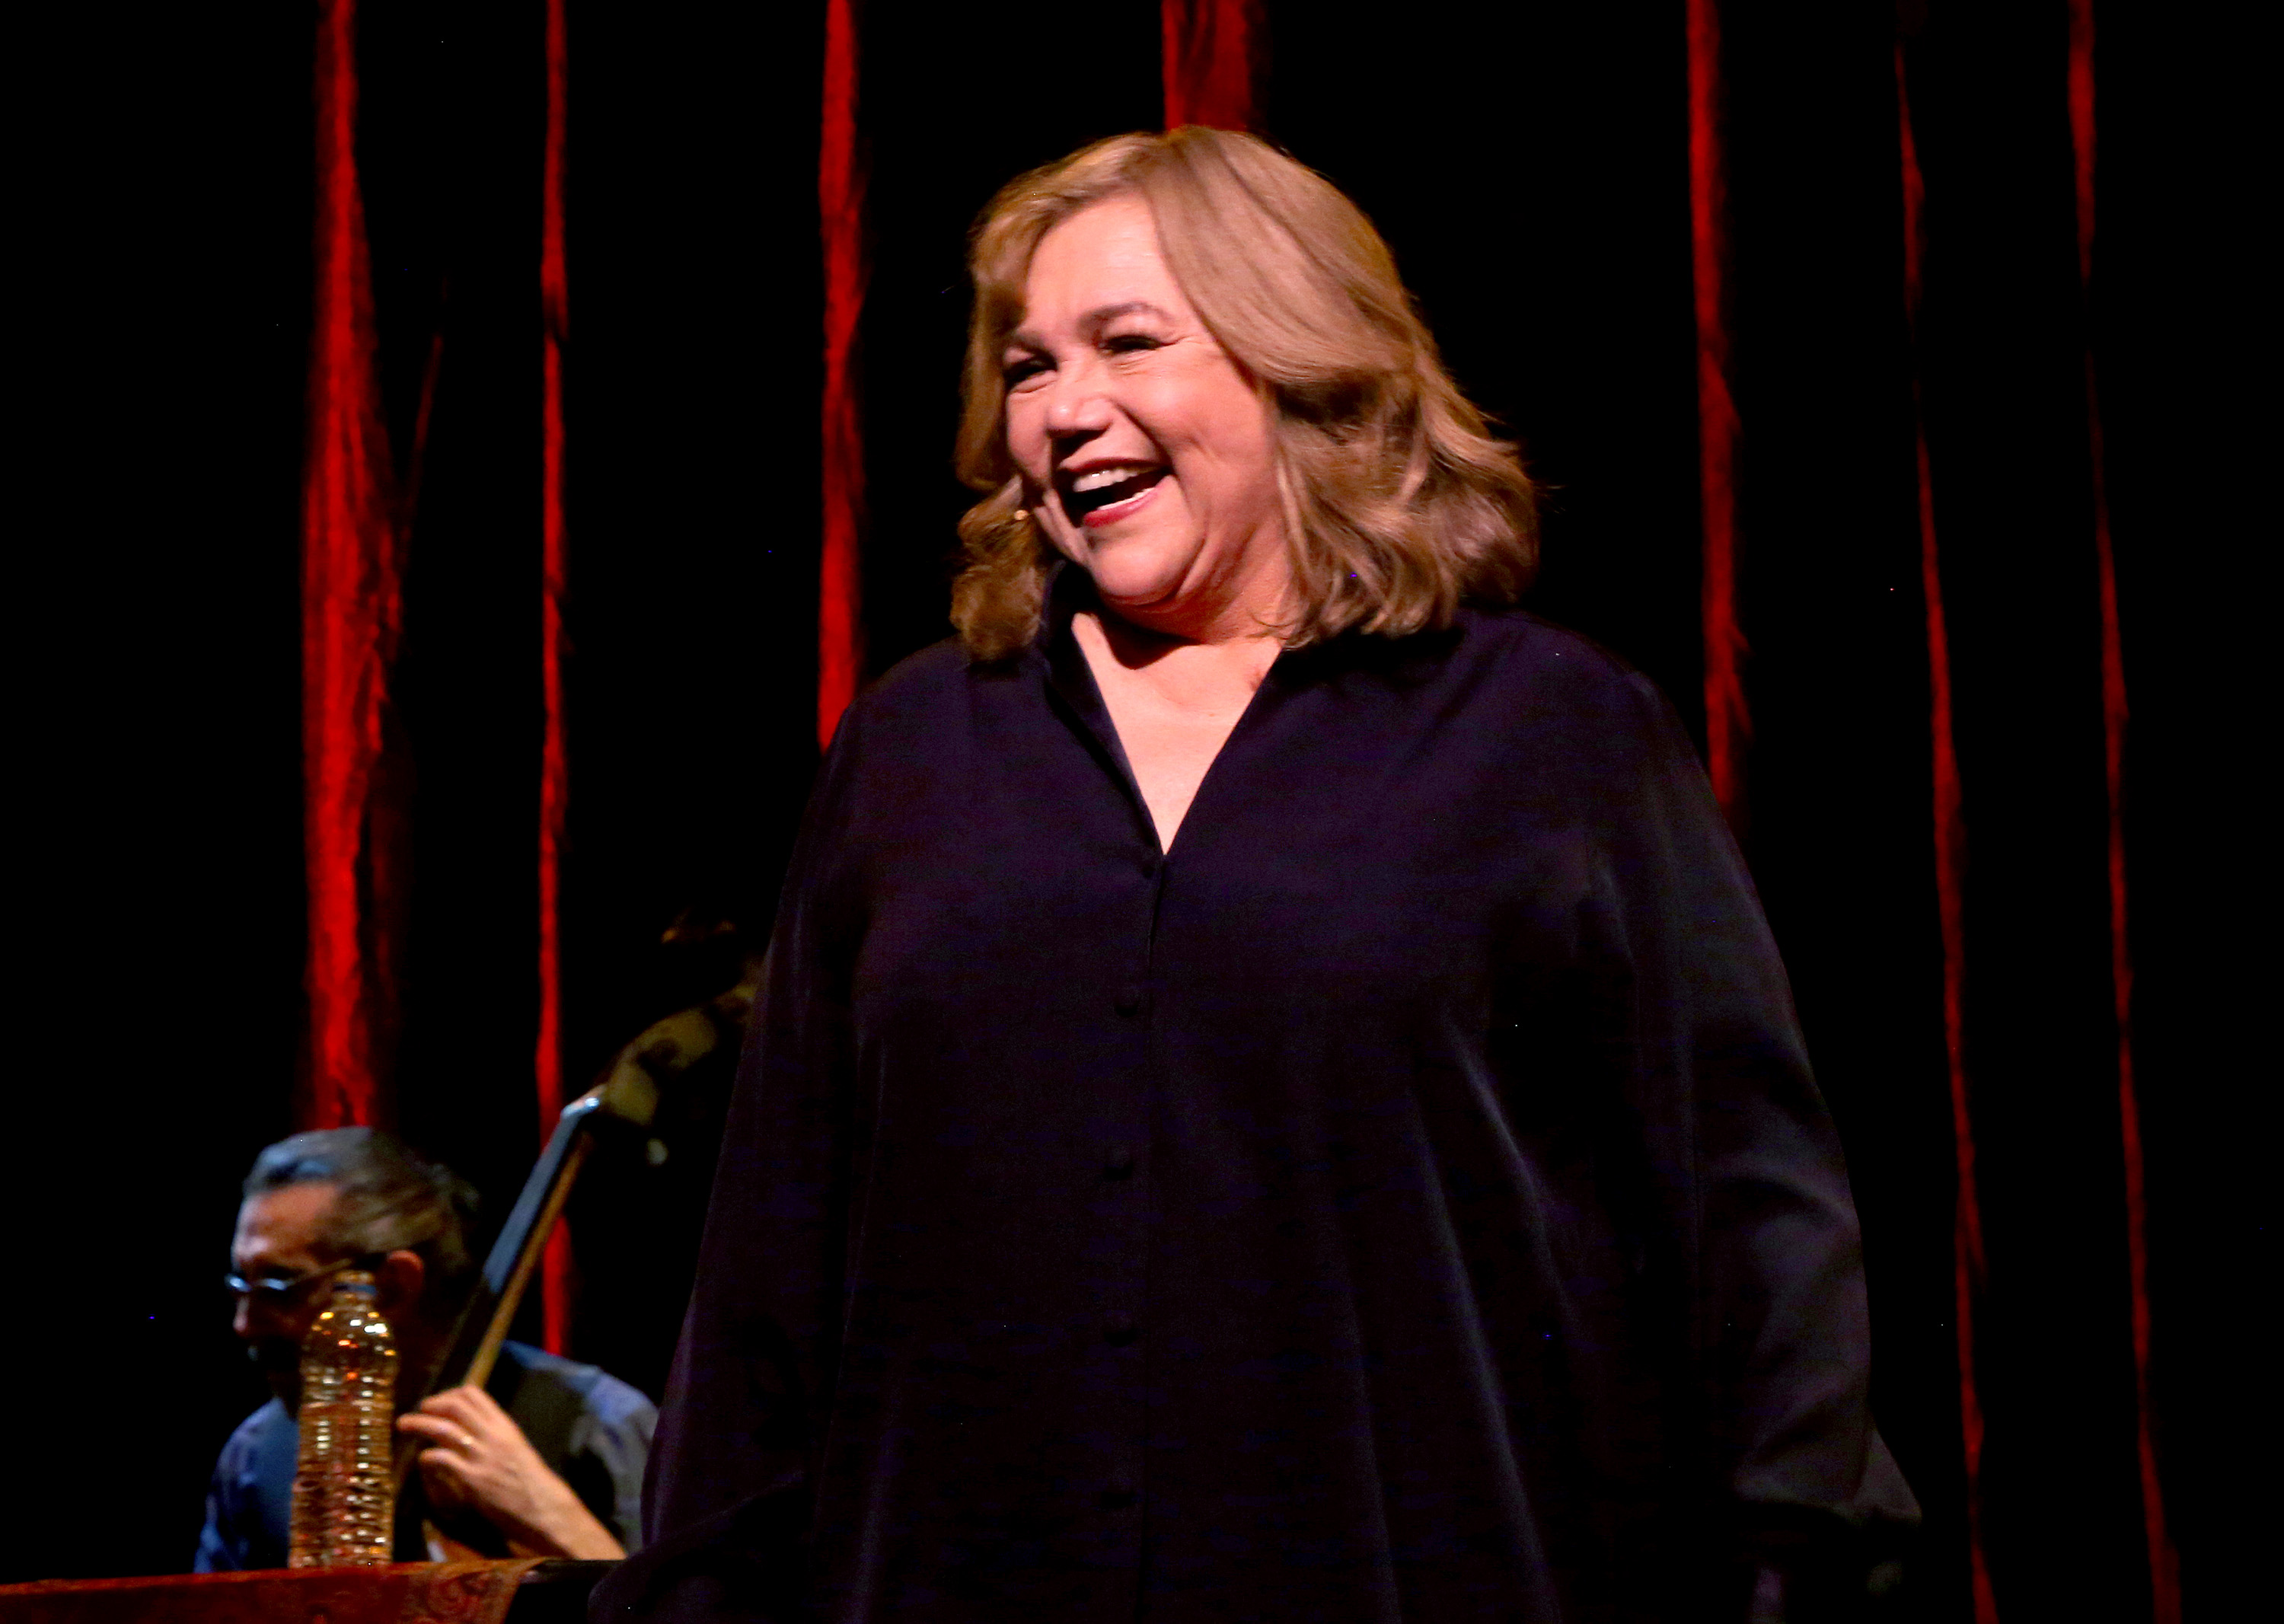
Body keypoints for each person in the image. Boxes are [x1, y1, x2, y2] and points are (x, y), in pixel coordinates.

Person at [601, 126, 1916, 1622]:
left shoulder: (1550, 735)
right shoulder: (915, 747)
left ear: (1299, 362)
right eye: (1028, 367)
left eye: (1128, 342)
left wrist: (1795, 1574)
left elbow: (1750, 1225)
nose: (1065, 411)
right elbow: (774, 1260)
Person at [196, 1127, 655, 1569]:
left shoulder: (599, 1426)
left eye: (279, 1287)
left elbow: (671, 1608)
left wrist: (553, 1519)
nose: (243, 1325)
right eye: (241, 1286)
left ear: (394, 1287)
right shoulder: (255, 1456)